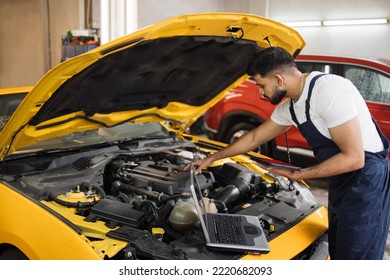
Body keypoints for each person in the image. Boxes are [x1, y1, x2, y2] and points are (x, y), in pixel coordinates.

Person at [191, 47, 390, 260]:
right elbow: (254, 138)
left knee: (358, 256)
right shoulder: (292, 106)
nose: (260, 93)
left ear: (278, 79)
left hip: (367, 181)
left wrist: (300, 174)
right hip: (342, 180)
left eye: (261, 85)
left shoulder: (328, 90)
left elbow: (354, 158)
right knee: (339, 249)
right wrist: (211, 158)